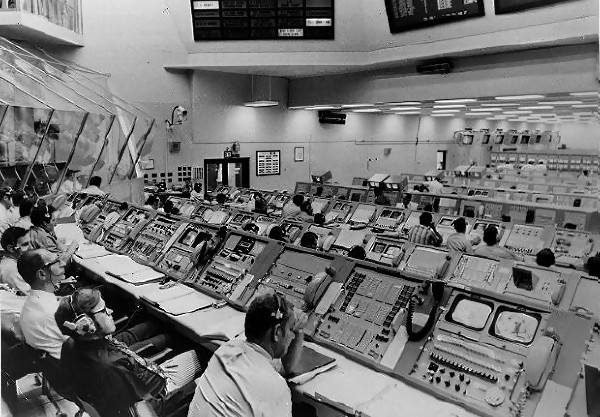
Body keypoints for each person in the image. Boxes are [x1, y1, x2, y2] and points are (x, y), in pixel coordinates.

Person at [55, 288, 202, 417]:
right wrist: (197, 386)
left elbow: (116, 345)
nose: (110, 311)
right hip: (161, 390)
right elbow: (154, 409)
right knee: (201, 353)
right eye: (103, 311)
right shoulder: (112, 369)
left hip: (138, 377)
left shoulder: (71, 345)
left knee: (165, 333)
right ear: (87, 325)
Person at [188, 292, 307, 417]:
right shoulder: (278, 390)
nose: (292, 336)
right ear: (277, 332)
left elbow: (287, 368)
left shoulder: (227, 350)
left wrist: (299, 330)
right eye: (290, 330)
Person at [18, 249, 69, 360]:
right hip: (71, 362)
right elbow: (86, 339)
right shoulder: (55, 312)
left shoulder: (31, 302)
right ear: (41, 274)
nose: (63, 263)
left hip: (50, 361)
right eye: (57, 261)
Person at [0, 227, 32, 295]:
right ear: (11, 248)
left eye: (31, 243)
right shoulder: (11, 268)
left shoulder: (17, 261)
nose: (31, 247)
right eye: (25, 244)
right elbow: (31, 294)